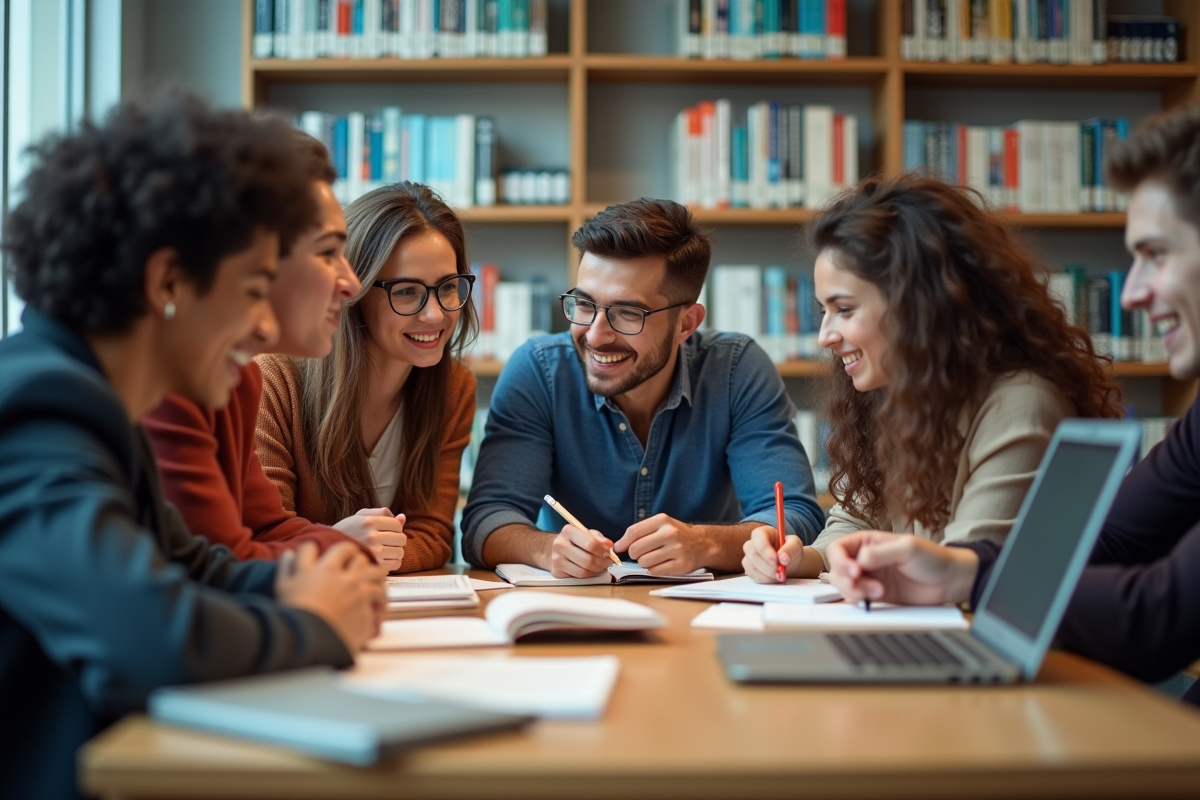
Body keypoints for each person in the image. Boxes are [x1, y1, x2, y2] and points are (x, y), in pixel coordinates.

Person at [0, 93, 385, 800]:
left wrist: (301, 584)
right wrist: (312, 624)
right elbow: (142, 639)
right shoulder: (37, 409)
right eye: (251, 290)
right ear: (167, 282)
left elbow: (190, 568)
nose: (265, 330)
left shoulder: (98, 403)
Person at [824, 101, 1200, 706]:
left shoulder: (1018, 401)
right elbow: (1108, 543)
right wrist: (965, 569)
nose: (1130, 293)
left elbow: (1158, 616)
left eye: (1156, 254)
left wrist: (969, 573)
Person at [741, 175, 1122, 584]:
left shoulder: (1020, 405)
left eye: (845, 310)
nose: (825, 337)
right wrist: (804, 558)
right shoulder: (897, 394)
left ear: (917, 305)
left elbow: (961, 575)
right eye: (823, 311)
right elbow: (854, 521)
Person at [461, 197, 824, 578]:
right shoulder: (539, 370)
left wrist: (706, 543)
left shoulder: (736, 370)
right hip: (574, 608)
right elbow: (486, 520)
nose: (596, 336)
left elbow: (794, 518)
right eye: (584, 304)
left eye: (627, 313)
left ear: (686, 323)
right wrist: (546, 549)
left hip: (703, 616)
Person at [143, 133, 406, 572]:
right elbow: (212, 573)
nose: (350, 284)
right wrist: (341, 552)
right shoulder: (163, 387)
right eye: (327, 253)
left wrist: (342, 551)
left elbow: (256, 536)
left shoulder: (236, 378)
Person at [256, 182, 477, 573]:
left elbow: (434, 535)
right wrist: (338, 545)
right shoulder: (274, 379)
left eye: (448, 287)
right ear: (352, 294)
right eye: (408, 292)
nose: (436, 314)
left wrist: (361, 551)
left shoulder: (454, 389)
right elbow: (264, 533)